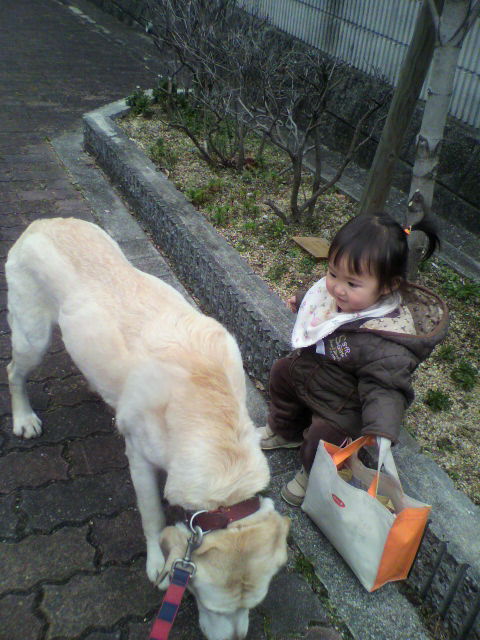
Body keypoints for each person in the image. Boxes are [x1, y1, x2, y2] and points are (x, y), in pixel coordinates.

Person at [258, 211, 449, 506]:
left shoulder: (386, 337)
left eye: (352, 283)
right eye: (333, 273)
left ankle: (313, 473)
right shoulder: (342, 294)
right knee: (282, 372)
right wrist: (302, 299)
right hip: (312, 369)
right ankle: (286, 430)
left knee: (323, 438)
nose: (337, 288)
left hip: (343, 402)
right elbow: (321, 299)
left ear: (387, 286)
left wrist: (381, 429)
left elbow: (387, 387)